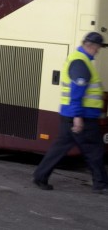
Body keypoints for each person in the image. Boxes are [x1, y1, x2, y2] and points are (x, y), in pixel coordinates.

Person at [33, 32, 108, 193]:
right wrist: (78, 117)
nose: (98, 51)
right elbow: (76, 92)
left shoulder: (81, 59)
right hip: (82, 116)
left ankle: (40, 176)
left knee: (60, 148)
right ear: (91, 46)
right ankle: (101, 184)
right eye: (97, 48)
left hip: (72, 115)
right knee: (94, 150)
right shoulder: (81, 62)